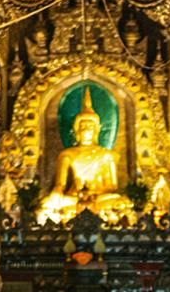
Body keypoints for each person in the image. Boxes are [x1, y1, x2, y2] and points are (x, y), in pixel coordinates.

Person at [36, 86, 134, 225]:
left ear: (97, 130)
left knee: (120, 201)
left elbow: (112, 187)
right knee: (49, 203)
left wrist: (94, 195)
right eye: (83, 126)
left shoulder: (106, 155)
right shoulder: (67, 154)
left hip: (101, 198)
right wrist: (57, 194)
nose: (87, 130)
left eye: (90, 126)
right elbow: (60, 185)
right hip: (74, 198)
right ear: (76, 130)